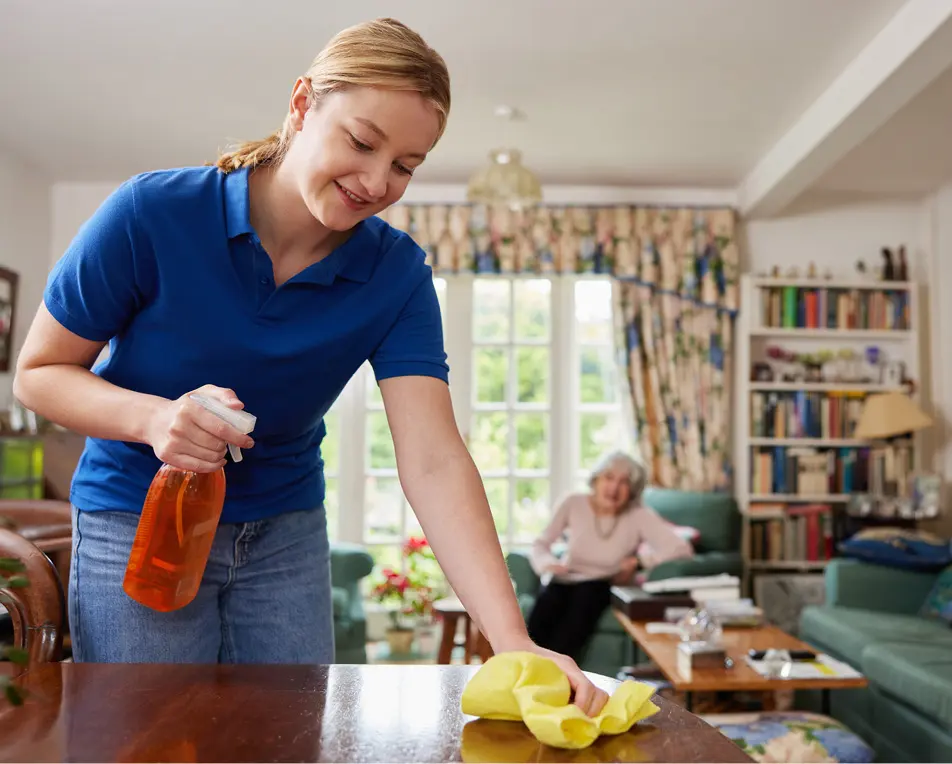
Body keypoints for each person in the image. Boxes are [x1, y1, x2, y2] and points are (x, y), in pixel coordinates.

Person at [12, 17, 609, 715]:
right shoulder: (153, 214)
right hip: (137, 522)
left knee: (288, 742)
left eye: (406, 166)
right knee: (151, 741)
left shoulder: (396, 275)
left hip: (284, 535)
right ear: (301, 105)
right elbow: (39, 372)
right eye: (362, 141)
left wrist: (513, 641)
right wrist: (152, 417)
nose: (377, 181)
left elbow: (434, 458)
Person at [527, 451, 693, 660]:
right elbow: (540, 544)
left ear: (632, 490)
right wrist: (546, 563)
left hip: (603, 583)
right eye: (609, 478)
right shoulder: (573, 502)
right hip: (565, 577)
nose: (614, 488)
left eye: (624, 482)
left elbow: (680, 549)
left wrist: (640, 562)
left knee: (582, 605)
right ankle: (524, 671)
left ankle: (559, 677)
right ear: (596, 480)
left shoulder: (638, 514)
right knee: (546, 604)